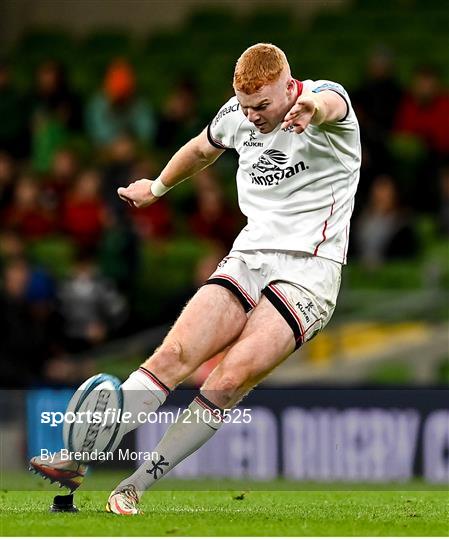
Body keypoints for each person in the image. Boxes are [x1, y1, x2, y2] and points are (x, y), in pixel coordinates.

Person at [29, 43, 361, 514]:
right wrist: (158, 187)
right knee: (174, 354)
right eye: (247, 107)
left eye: (263, 105)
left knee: (227, 382)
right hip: (249, 256)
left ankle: (136, 484)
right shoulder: (240, 114)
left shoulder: (326, 104)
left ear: (289, 88)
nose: (254, 116)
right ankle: (77, 459)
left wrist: (311, 108)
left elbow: (330, 104)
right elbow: (202, 148)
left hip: (309, 273)